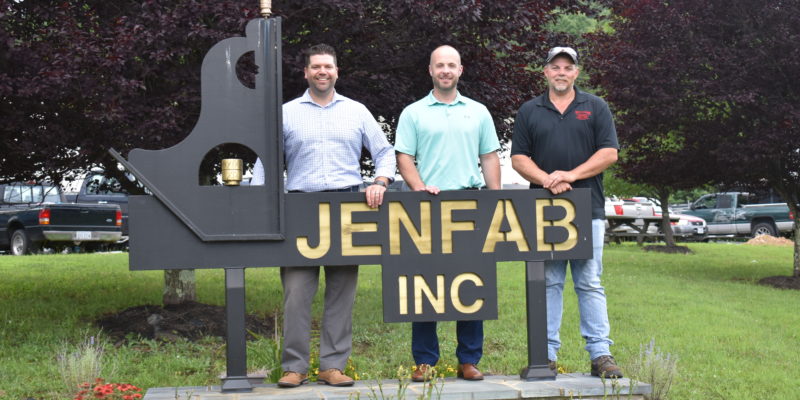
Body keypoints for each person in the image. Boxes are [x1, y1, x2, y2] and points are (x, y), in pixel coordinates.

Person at [252, 43, 395, 388]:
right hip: (300, 207)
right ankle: (294, 367)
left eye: (328, 67)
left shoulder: (357, 111)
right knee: (297, 291)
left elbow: (385, 152)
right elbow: (266, 162)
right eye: (316, 67)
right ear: (306, 73)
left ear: (336, 72)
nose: (322, 72)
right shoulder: (286, 113)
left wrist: (380, 181)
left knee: (341, 292)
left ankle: (333, 366)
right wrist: (258, 201)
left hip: (347, 207)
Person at [510, 46, 622, 378]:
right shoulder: (530, 110)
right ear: (545, 71)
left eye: (567, 67)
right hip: (544, 209)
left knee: (589, 281)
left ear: (576, 72)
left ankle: (601, 355)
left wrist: (570, 175)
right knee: (549, 282)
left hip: (588, 208)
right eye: (555, 66)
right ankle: (545, 356)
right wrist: (547, 179)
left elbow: (609, 153)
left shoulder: (595, 106)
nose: (561, 72)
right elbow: (518, 158)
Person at [395, 45, 501, 382]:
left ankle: (468, 360)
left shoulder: (479, 112)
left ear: (460, 70)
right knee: (425, 285)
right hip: (427, 206)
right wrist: (418, 189)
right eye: (439, 65)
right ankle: (425, 362)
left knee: (472, 284)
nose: (445, 70)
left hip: (470, 205)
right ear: (430, 70)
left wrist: (495, 198)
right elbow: (404, 157)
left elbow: (489, 157)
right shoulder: (413, 113)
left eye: (451, 65)